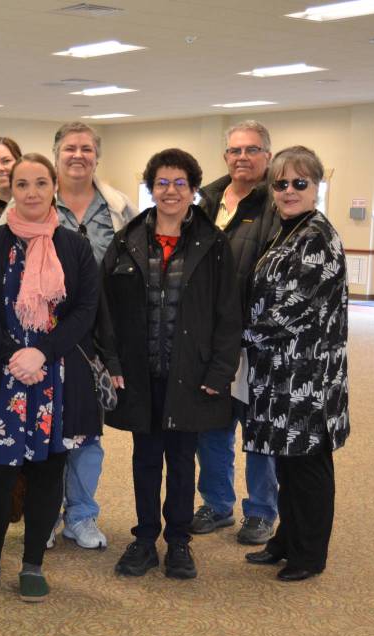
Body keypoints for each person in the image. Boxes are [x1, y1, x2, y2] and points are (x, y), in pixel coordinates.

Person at [0, 153, 100, 602]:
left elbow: (86, 310)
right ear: (8, 189)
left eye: (39, 183)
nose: (31, 192)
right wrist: (14, 354)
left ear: (53, 186)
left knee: (47, 471)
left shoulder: (75, 247)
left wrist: (42, 352)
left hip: (54, 378)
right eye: (22, 184)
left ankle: (33, 563)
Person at [101, 148, 240, 580]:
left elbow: (228, 314)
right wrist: (111, 360)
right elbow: (105, 309)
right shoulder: (126, 239)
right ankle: (144, 538)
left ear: (194, 189)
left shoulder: (214, 244)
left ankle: (179, 542)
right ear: (150, 187)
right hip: (141, 373)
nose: (171, 191)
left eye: (180, 183)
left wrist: (220, 371)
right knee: (145, 459)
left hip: (191, 374)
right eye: (162, 182)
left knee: (182, 460)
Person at [243, 145, 349, 582]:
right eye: (281, 183)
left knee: (307, 465)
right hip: (278, 371)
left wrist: (235, 336)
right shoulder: (289, 228)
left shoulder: (317, 238)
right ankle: (287, 540)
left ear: (316, 187)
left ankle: (309, 555)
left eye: (299, 183)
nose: (288, 191)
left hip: (308, 374)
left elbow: (289, 310)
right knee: (286, 461)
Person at [48, 121, 137, 550]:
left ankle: (81, 515)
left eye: (86, 148)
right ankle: (45, 514)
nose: (78, 155)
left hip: (96, 341)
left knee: (87, 434)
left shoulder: (119, 208)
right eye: (69, 148)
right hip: (45, 340)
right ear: (57, 155)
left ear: (97, 156)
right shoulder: (32, 202)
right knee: (45, 431)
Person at [191, 121, 280, 545]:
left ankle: (262, 511)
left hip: (256, 340)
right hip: (209, 339)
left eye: (251, 149)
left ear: (267, 155)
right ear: (225, 156)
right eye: (234, 150)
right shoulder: (207, 200)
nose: (242, 157)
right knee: (211, 425)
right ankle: (217, 503)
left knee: (258, 429)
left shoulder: (275, 204)